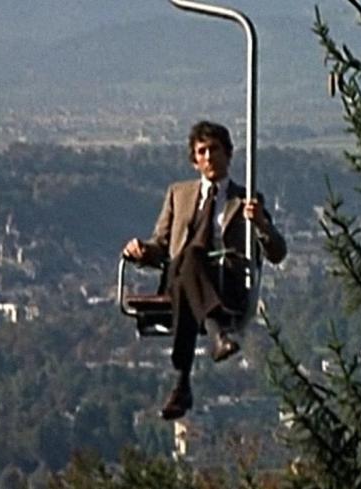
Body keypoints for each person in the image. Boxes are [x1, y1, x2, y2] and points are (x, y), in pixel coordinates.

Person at [122, 120, 287, 420]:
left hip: (224, 283)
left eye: (214, 149)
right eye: (202, 152)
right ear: (194, 160)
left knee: (191, 265)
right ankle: (215, 332)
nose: (209, 157)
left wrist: (261, 225)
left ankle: (182, 382)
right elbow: (161, 244)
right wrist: (142, 251)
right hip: (180, 275)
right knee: (189, 257)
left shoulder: (245, 199)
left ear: (228, 154)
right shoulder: (178, 194)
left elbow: (278, 252)